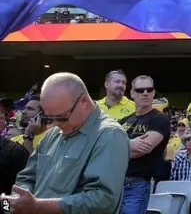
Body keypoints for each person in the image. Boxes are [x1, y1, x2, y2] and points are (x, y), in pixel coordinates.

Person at [1, 72, 129, 214]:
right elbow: (26, 177)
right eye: (49, 118)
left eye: (61, 117)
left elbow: (103, 200)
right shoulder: (53, 133)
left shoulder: (110, 135)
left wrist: (37, 206)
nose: (55, 124)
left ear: (84, 102)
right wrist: (13, 203)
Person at [119, 75, 171, 214]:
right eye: (140, 90)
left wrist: (116, 149)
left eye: (149, 89)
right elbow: (104, 148)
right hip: (115, 182)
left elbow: (141, 150)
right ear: (132, 93)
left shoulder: (160, 119)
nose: (145, 93)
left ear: (154, 92)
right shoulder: (123, 121)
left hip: (138, 183)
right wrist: (129, 144)